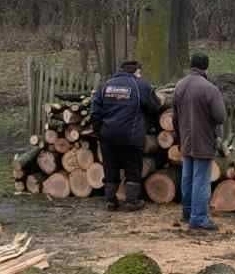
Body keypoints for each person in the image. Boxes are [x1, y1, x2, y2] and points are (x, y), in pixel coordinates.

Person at [90, 59, 161, 212]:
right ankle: (131, 201)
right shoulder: (140, 85)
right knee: (133, 167)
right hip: (131, 135)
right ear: (136, 71)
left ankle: (110, 200)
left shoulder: (104, 86)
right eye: (139, 72)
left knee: (110, 167)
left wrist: (98, 131)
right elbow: (155, 106)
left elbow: (95, 112)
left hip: (108, 135)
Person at [172, 52, 226, 231]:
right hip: (203, 139)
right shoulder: (210, 88)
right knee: (201, 180)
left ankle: (187, 212)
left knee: (187, 177)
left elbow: (175, 116)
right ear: (206, 67)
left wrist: (179, 138)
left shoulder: (179, 85)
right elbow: (220, 117)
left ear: (191, 65)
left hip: (186, 139)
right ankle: (199, 218)